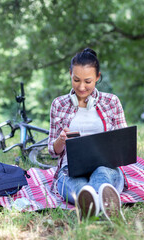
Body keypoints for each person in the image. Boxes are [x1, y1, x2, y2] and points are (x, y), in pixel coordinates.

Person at [48, 48, 127, 221]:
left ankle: (91, 206)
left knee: (102, 175)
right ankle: (102, 205)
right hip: (70, 169)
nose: (81, 87)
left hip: (105, 165)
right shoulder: (58, 105)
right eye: (76, 80)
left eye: (88, 81)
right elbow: (53, 151)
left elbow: (123, 145)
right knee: (79, 187)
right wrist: (61, 140)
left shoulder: (111, 102)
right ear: (70, 74)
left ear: (98, 77)